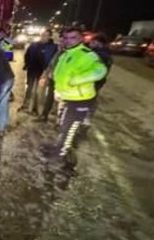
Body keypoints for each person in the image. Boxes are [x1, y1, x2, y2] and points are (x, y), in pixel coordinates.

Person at [43, 27, 107, 161]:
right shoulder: (66, 53)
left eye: (73, 38)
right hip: (67, 97)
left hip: (80, 100)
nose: (69, 41)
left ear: (81, 39)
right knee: (63, 125)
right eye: (66, 38)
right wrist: (57, 90)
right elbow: (59, 74)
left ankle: (61, 153)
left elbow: (101, 71)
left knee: (69, 128)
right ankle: (58, 146)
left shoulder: (87, 54)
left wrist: (77, 80)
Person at [20, 29, 57, 114]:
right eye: (42, 35)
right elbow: (27, 55)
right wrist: (27, 64)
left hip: (44, 72)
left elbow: (53, 60)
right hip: (32, 70)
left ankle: (37, 109)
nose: (43, 37)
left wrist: (49, 71)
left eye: (46, 35)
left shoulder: (53, 47)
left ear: (50, 36)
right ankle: (26, 106)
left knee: (40, 91)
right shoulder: (34, 45)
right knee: (29, 89)